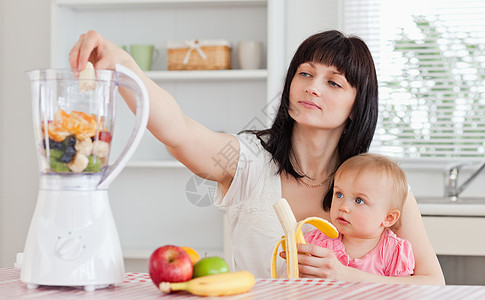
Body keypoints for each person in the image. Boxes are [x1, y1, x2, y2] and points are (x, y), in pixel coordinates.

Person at [69, 30, 445, 284]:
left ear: (356, 105)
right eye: (305, 73)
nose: (312, 87)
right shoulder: (247, 161)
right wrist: (124, 68)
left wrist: (348, 277)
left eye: (333, 82)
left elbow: (432, 284)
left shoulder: (383, 189)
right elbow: (178, 130)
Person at [304, 153, 414, 277]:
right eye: (339, 194)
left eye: (359, 200)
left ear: (389, 218)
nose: (343, 207)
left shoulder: (394, 251)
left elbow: (402, 292)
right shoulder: (318, 242)